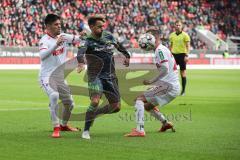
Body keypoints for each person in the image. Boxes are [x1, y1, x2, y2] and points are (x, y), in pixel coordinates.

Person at [76, 15, 130, 140]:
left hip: (110, 76)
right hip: (95, 76)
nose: (102, 29)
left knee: (116, 107)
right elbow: (80, 52)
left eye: (103, 26)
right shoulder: (86, 40)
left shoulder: (109, 36)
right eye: (99, 27)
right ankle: (86, 131)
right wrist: (80, 62)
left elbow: (119, 46)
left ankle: (94, 113)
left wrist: (127, 55)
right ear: (91, 27)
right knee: (95, 101)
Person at [125, 28, 180, 137]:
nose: (146, 39)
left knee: (139, 99)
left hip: (168, 86)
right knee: (148, 106)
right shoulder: (161, 49)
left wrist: (151, 81)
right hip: (171, 86)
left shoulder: (160, 50)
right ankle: (165, 123)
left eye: (148, 36)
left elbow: (165, 69)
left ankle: (140, 130)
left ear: (155, 37)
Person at [39, 14, 84, 138]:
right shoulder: (44, 40)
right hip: (46, 77)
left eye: (60, 24)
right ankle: (56, 128)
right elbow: (42, 56)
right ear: (48, 26)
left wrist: (83, 36)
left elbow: (78, 39)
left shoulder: (63, 37)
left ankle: (64, 125)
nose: (59, 26)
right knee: (54, 95)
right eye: (56, 24)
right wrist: (55, 45)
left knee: (70, 103)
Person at [169, 20, 190, 96]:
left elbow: (188, 46)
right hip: (173, 55)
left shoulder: (185, 35)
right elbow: (171, 46)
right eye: (176, 25)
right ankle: (171, 89)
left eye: (179, 25)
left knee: (183, 73)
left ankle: (183, 91)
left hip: (182, 55)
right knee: (171, 72)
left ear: (181, 26)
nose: (177, 26)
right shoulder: (171, 35)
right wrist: (169, 54)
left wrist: (187, 55)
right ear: (174, 26)